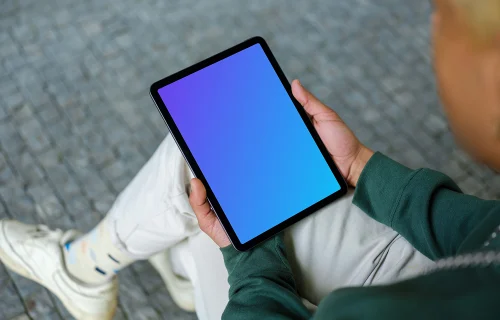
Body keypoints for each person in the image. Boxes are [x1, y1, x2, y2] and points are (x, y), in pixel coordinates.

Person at [1, 0, 499, 318]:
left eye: (443, 13)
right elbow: (484, 232)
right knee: (223, 151)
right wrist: (359, 165)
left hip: (345, 297)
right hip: (420, 259)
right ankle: (161, 266)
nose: (434, 23)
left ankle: (84, 268)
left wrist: (249, 252)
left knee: (211, 186)